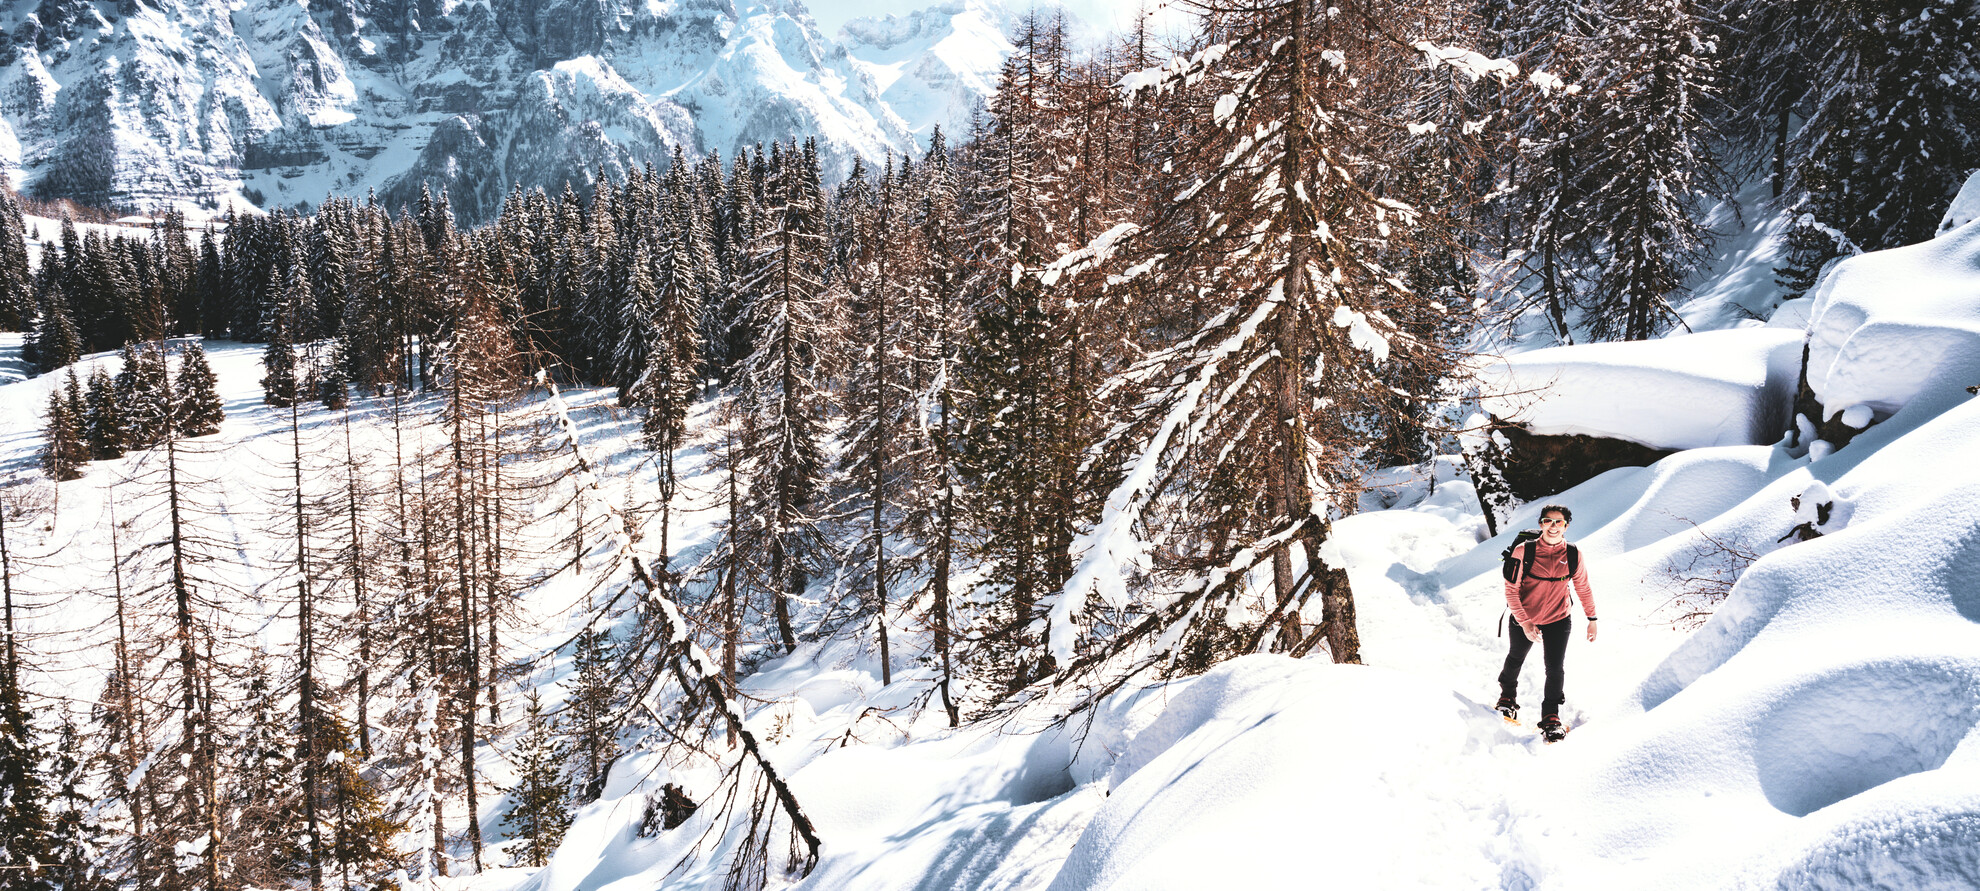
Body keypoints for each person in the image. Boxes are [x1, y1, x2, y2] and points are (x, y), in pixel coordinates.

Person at [1495, 504, 1597, 741]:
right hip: (1524, 615)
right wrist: (1525, 622)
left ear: (1566, 526)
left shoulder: (1573, 554)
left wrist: (1592, 618)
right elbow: (1511, 590)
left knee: (1555, 668)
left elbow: (1583, 587)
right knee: (1516, 657)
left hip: (1558, 617)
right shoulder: (1524, 551)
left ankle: (1551, 716)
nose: (1553, 526)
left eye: (1558, 522)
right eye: (1548, 521)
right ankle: (1507, 698)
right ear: (1541, 524)